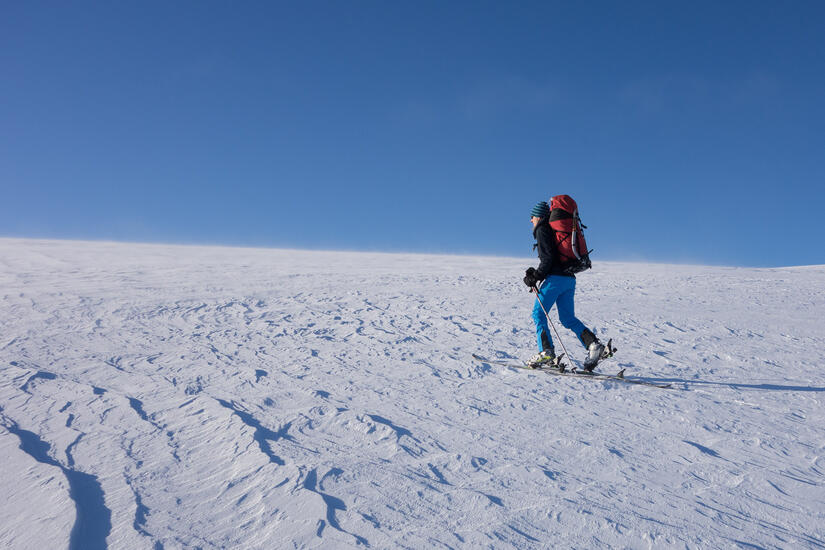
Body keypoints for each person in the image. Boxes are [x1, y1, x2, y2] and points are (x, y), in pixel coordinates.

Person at [523, 200, 604, 370]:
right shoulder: (553, 231)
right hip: (569, 279)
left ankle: (546, 351)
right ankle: (593, 345)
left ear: (538, 216)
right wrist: (536, 274)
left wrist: (536, 276)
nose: (531, 220)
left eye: (532, 217)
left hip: (555, 280)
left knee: (538, 313)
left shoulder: (542, 230)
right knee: (567, 318)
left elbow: (547, 259)